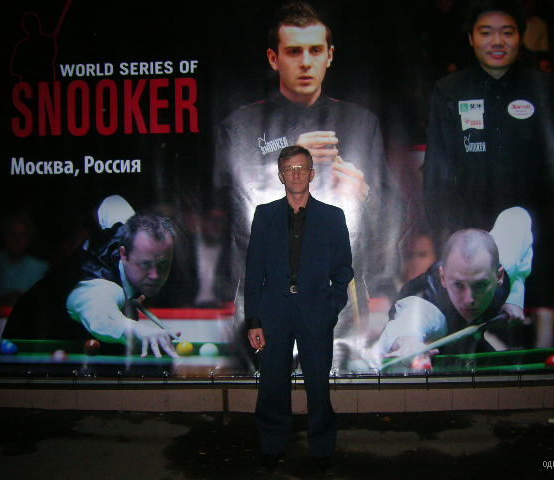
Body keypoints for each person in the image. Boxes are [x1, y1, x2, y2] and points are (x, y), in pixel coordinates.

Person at [214, 1, 403, 357]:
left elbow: (395, 219)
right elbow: (225, 221)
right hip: (267, 288)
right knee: (267, 378)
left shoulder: (361, 123)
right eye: (294, 51)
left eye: (315, 50)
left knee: (338, 380)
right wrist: (286, 165)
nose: (305, 62)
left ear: (329, 56)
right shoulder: (240, 127)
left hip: (340, 294)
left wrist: (365, 194)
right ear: (274, 59)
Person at [422, 0, 554, 345]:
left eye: (507, 32)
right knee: (472, 330)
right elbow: (436, 172)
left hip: (535, 233)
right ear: (471, 38)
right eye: (486, 32)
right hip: (468, 232)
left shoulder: (544, 89)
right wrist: (446, 233)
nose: (497, 41)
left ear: (520, 37)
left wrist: (550, 220)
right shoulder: (450, 90)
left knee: (528, 330)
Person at [245, 145, 353, 472]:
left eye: (301, 168)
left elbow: (343, 270)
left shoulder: (332, 217)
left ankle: (322, 450)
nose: (295, 174)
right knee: (272, 385)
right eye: (289, 169)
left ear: (312, 174)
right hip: (274, 313)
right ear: (280, 175)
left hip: (316, 313)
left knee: (318, 386)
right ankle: (272, 445)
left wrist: (331, 306)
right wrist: (254, 319)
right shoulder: (265, 215)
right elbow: (254, 271)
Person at [4, 195, 178, 358]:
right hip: (28, 344)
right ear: (123, 254)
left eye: (163, 264)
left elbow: (113, 202)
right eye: (145, 265)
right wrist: (141, 330)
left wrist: (131, 294)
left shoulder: (127, 230)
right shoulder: (99, 285)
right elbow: (102, 319)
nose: (155, 275)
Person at [378, 207, 532, 368]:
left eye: (480, 284)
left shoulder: (505, 260)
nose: (469, 299)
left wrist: (514, 298)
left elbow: (517, 216)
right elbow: (406, 325)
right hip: (435, 352)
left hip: (471, 341)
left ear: (499, 276)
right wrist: (408, 343)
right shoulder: (429, 304)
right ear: (443, 277)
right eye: (458, 285)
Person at [0, 212, 48, 306]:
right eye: (12, 234)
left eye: (22, 235)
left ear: (29, 238)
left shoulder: (40, 268)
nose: (17, 239)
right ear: (4, 236)